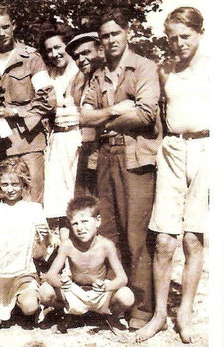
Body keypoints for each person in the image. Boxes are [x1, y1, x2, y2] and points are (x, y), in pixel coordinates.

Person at [80, 8, 162, 329]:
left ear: (128, 32)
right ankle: (114, 303)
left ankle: (142, 309)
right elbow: (83, 116)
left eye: (116, 33)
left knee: (136, 234)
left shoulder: (144, 67)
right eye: (105, 36)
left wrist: (102, 119)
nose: (111, 40)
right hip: (103, 157)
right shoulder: (98, 74)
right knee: (110, 231)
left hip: (135, 160)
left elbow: (144, 114)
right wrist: (115, 110)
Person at [135, 7, 209, 343]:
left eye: (185, 36)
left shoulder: (215, 68)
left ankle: (186, 314)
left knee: (193, 238)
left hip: (209, 150)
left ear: (199, 33)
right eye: (173, 37)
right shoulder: (165, 69)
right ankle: (159, 315)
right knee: (164, 240)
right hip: (173, 151)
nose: (179, 44)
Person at [0, 4, 53, 204]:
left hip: (27, 144)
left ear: (14, 26)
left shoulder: (31, 59)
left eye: (5, 27)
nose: (1, 33)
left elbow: (48, 100)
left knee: (31, 203)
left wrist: (16, 111)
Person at [39, 196, 134, 334]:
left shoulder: (106, 245)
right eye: (75, 223)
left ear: (97, 221)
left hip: (99, 292)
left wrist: (107, 286)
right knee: (44, 292)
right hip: (75, 292)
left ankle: (111, 317)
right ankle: (65, 314)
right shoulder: (68, 245)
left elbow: (122, 278)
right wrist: (62, 283)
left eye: (84, 221)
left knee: (127, 296)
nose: (80, 228)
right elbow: (51, 275)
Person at [0, 158, 49, 330]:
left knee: (30, 307)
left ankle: (22, 304)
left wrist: (44, 237)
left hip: (23, 273)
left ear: (24, 184)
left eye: (15, 184)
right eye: (5, 184)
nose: (10, 189)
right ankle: (3, 307)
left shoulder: (33, 210)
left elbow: (42, 250)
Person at [39, 22, 81, 231]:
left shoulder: (81, 71)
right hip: (57, 139)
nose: (54, 54)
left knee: (76, 196)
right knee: (57, 199)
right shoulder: (50, 75)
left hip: (77, 137)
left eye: (58, 47)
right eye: (49, 50)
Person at [65, 31, 104, 198]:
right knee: (85, 201)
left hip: (104, 148)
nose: (81, 59)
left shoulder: (108, 76)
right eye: (76, 56)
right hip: (86, 148)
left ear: (100, 51)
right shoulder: (79, 81)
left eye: (86, 52)